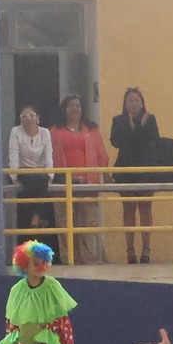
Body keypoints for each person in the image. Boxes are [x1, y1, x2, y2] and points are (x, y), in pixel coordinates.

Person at [50, 95, 110, 264]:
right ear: (64, 109)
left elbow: (101, 154)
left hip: (88, 183)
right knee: (65, 223)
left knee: (88, 224)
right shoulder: (55, 131)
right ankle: (69, 259)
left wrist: (106, 175)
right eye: (71, 105)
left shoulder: (91, 130)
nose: (75, 108)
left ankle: (90, 259)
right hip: (64, 184)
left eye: (78, 105)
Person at [109, 87, 163, 265]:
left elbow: (152, 141)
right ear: (125, 103)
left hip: (146, 169)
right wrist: (131, 128)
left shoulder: (150, 119)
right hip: (125, 169)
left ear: (142, 102)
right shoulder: (118, 121)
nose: (133, 103)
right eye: (129, 100)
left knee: (146, 208)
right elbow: (116, 142)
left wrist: (137, 127)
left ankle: (146, 249)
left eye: (136, 100)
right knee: (129, 209)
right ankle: (130, 250)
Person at [8, 106, 56, 232]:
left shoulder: (45, 132)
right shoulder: (16, 132)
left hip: (40, 173)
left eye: (32, 115)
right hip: (23, 171)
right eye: (24, 116)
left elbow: (48, 156)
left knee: (41, 179)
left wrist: (50, 176)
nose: (28, 119)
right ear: (20, 120)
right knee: (32, 180)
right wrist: (14, 178)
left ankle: (35, 217)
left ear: (38, 118)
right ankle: (38, 217)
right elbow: (13, 156)